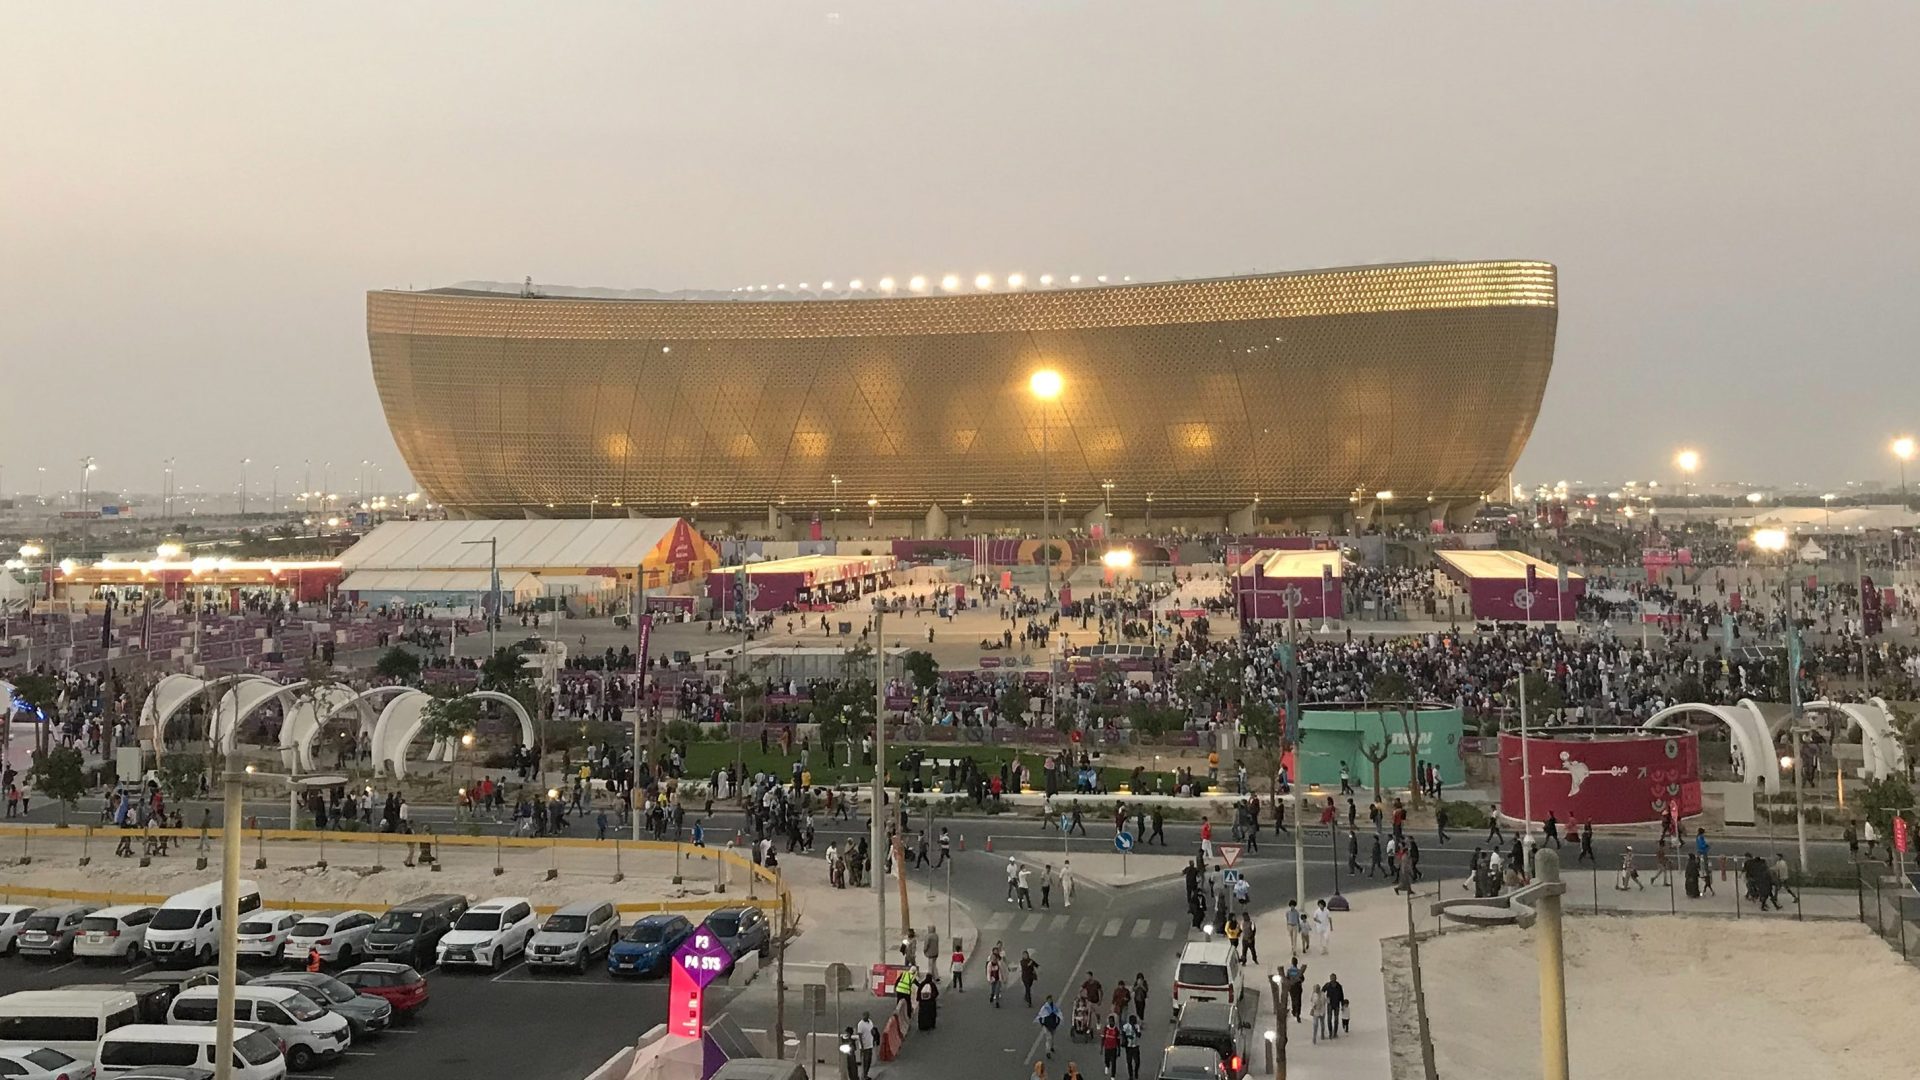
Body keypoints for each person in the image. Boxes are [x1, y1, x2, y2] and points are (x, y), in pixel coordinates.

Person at [1119, 1011, 1143, 1080]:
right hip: (1128, 1047)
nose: (1135, 1022)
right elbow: (1123, 1034)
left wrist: (1135, 1029)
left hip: (1135, 1046)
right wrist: (1127, 1037)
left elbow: (1139, 1035)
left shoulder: (1137, 1026)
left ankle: (1136, 1071)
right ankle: (1131, 1075)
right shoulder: (1126, 1026)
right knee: (1129, 1062)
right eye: (1134, 1020)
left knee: (1137, 1062)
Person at [855, 1013, 877, 1080]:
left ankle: (866, 1074)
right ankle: (864, 1075)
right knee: (865, 1062)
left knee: (869, 1061)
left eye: (867, 1015)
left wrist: (873, 1038)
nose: (866, 1017)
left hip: (870, 1045)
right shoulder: (860, 1024)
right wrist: (862, 1046)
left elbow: (872, 1031)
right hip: (865, 1047)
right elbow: (860, 1035)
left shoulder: (870, 1022)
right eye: (864, 1015)